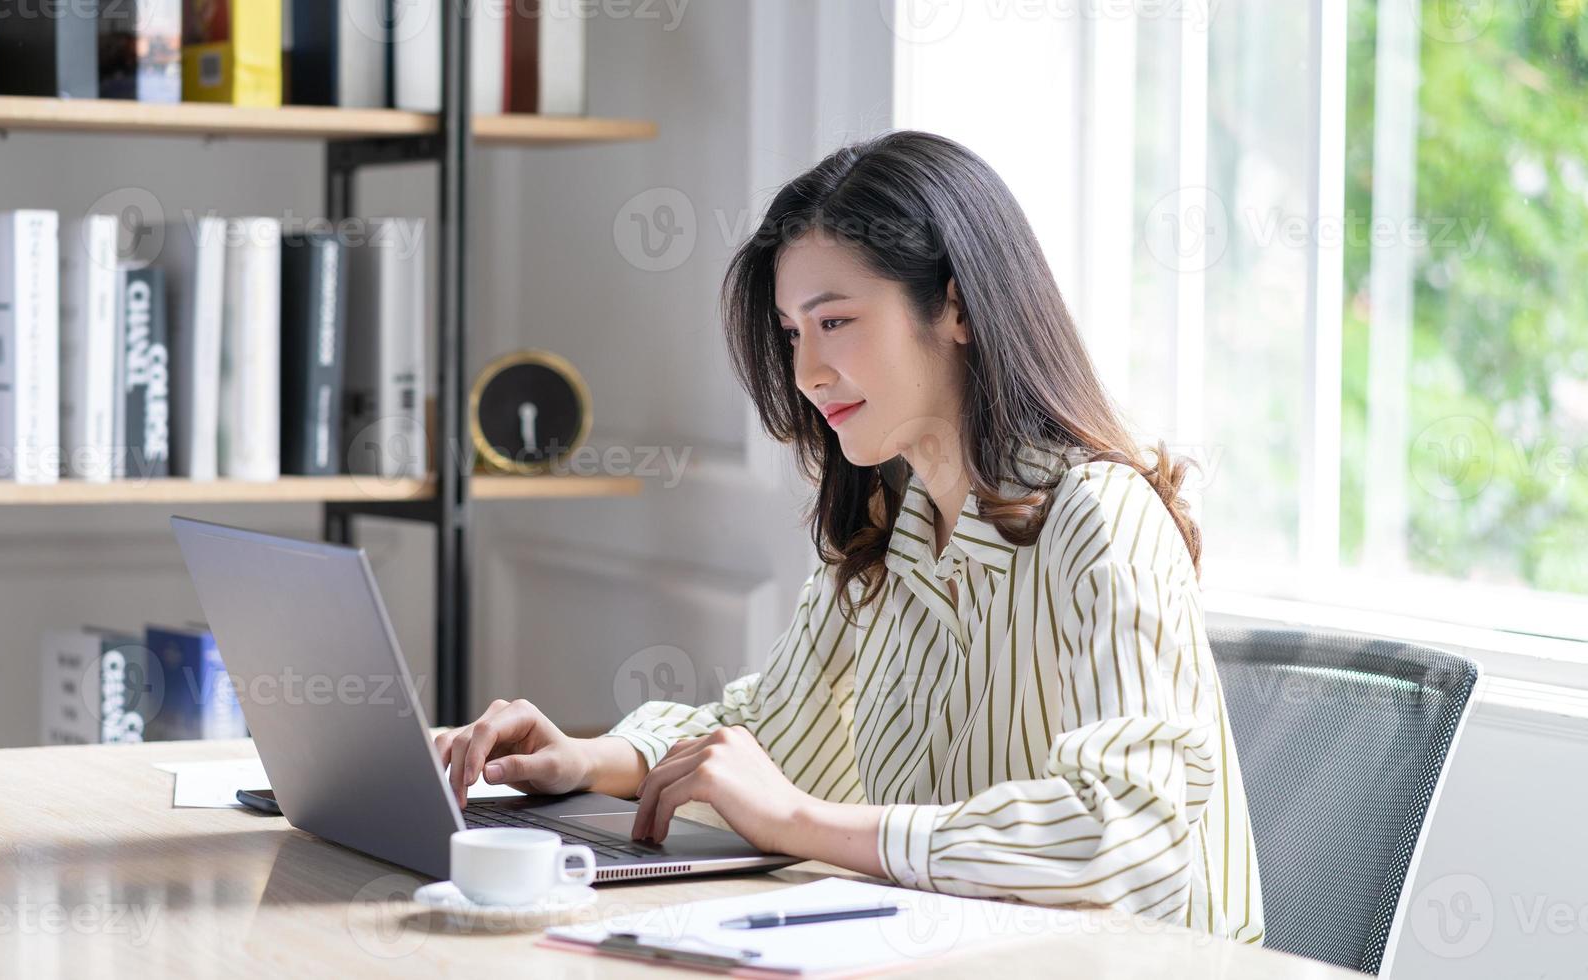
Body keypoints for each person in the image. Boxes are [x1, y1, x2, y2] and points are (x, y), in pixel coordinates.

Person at [435, 130, 1263, 942]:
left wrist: (800, 823)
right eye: (793, 334)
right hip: (953, 949)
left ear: (957, 307)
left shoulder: (1099, 518)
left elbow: (1123, 840)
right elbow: (771, 729)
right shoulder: (887, 527)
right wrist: (588, 761)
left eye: (834, 322)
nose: (805, 373)